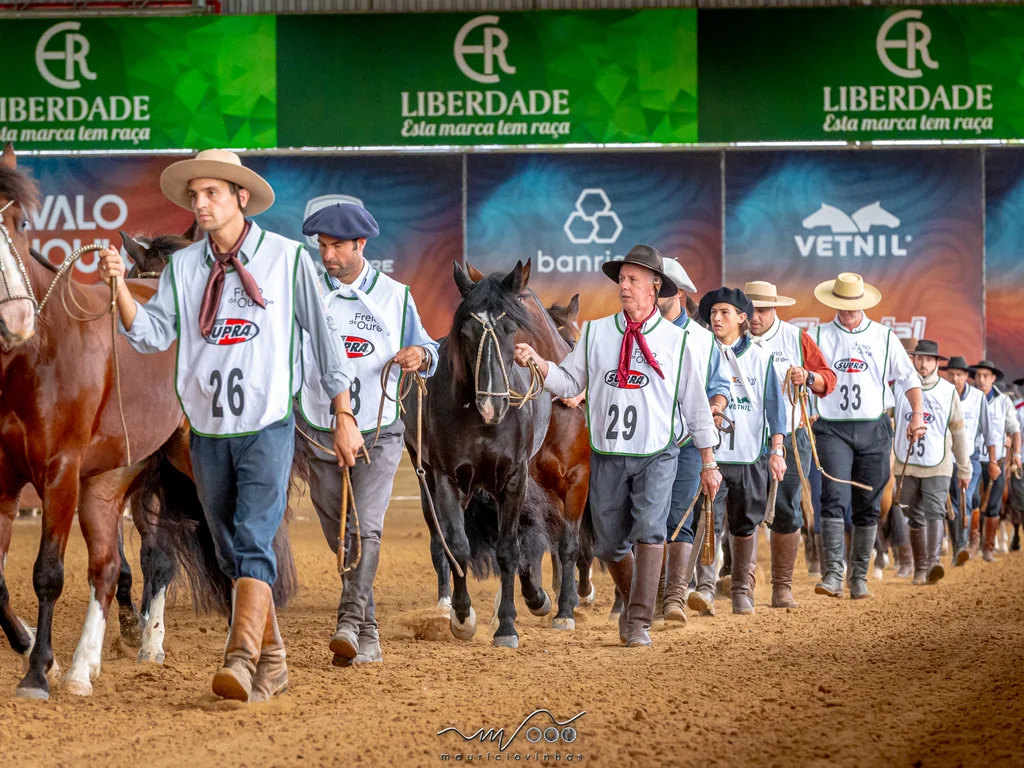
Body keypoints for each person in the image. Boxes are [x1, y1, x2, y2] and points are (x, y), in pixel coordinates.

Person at [97, 150, 363, 703]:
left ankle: (240, 659)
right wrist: (120, 286)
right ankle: (275, 658)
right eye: (194, 196)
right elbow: (148, 334)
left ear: (241, 197)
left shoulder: (289, 260)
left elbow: (325, 340)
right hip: (207, 431)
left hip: (267, 424)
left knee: (252, 537)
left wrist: (343, 413)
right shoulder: (184, 267)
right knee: (226, 552)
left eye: (211, 193)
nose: (200, 204)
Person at [513, 245, 721, 648]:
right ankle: (632, 599)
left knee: (650, 531)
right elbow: (570, 383)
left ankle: (640, 620)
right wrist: (538, 362)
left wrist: (709, 461)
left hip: (659, 452)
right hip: (607, 453)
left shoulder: (679, 343)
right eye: (621, 279)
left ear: (654, 287)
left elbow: (695, 405)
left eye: (632, 280)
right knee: (608, 544)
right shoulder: (595, 332)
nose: (623, 287)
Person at [295, 203, 439, 667]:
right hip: (318, 431)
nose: (328, 255)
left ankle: (348, 621)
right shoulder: (306, 292)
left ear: (361, 245)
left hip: (380, 429)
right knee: (343, 538)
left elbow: (430, 348)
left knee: (366, 528)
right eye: (322, 246)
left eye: (337, 246)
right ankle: (369, 630)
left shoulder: (396, 296)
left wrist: (421, 354)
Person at [811, 273, 926, 600]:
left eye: (853, 306)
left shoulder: (884, 337)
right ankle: (833, 573)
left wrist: (917, 415)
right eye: (841, 305)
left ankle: (858, 576)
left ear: (863, 304)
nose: (847, 311)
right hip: (832, 426)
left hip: (874, 428)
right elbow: (806, 376)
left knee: (869, 504)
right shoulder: (817, 335)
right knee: (833, 497)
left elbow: (908, 379)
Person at [683, 287, 786, 616]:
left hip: (748, 454)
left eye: (724, 312)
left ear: (742, 318)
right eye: (713, 313)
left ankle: (742, 588)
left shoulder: (761, 357)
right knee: (708, 519)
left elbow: (775, 406)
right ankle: (706, 588)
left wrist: (777, 449)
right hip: (709, 455)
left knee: (745, 522)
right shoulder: (698, 351)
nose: (716, 318)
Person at [745, 281, 836, 608]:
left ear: (775, 310)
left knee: (787, 506)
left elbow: (828, 379)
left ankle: (782, 585)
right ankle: (744, 584)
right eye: (750, 310)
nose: (755, 317)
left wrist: (808, 378)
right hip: (745, 435)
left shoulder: (796, 338)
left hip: (793, 433)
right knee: (745, 507)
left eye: (763, 310)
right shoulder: (731, 338)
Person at [656, 258, 730, 623]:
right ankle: (650, 594)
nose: (656, 295)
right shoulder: (638, 333)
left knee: (679, 517)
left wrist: (715, 406)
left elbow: (720, 385)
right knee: (647, 517)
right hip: (647, 442)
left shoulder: (703, 340)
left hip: (687, 441)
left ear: (680, 295)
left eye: (664, 288)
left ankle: (672, 597)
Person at [892, 341, 972, 585]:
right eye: (919, 358)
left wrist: (964, 466)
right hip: (906, 462)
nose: (923, 363)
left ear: (937, 363)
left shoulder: (948, 392)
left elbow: (958, 432)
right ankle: (920, 567)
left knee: (935, 510)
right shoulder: (898, 387)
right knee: (913, 515)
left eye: (929, 359)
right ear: (913, 360)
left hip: (938, 463)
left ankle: (934, 561)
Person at [939, 355, 990, 564]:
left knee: (965, 498)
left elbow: (988, 430)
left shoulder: (978, 398)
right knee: (950, 503)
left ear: (966, 376)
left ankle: (961, 544)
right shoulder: (942, 395)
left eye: (959, 374)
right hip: (945, 458)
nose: (954, 378)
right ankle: (957, 547)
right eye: (951, 374)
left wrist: (994, 460)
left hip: (971, 457)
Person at [970, 360, 1023, 561]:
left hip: (997, 461)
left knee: (995, 504)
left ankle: (988, 548)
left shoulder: (1004, 401)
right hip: (973, 459)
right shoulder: (968, 398)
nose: (981, 379)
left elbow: (1015, 429)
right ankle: (973, 542)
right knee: (972, 500)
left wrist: (1016, 453)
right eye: (978, 375)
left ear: (993, 378)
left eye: (986, 376)